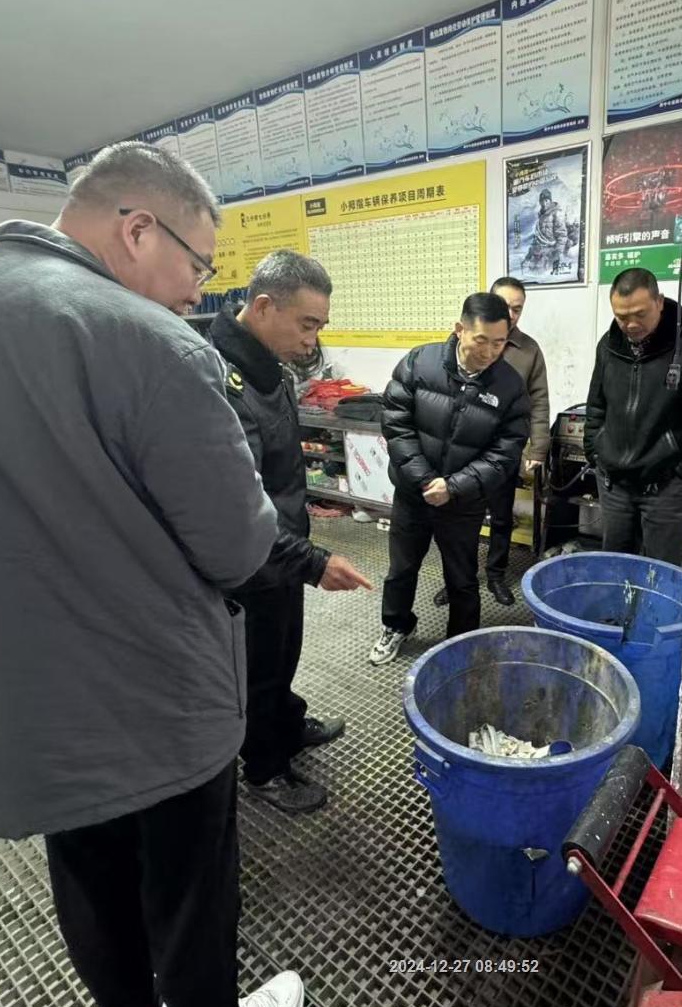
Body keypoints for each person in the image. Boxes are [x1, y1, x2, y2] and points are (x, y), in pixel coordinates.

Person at [0, 142, 305, 1007]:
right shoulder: (151, 342)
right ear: (138, 227)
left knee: (88, 872)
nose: (198, 292)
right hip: (152, 695)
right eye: (198, 265)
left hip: (17, 691)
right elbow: (236, 545)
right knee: (189, 887)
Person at [210, 250, 372, 815]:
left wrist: (300, 553)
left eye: (319, 326)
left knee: (285, 651)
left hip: (284, 548)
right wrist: (311, 561)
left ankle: (287, 722)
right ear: (262, 307)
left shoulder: (271, 369)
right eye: (306, 324)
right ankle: (264, 768)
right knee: (257, 666)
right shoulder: (220, 384)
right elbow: (236, 506)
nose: (312, 341)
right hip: (252, 559)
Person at [368, 292, 530, 666]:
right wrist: (425, 481)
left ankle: (461, 644)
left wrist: (454, 487)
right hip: (413, 494)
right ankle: (396, 626)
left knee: (462, 578)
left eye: (499, 342)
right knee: (401, 569)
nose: (489, 352)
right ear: (460, 329)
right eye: (481, 340)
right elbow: (396, 424)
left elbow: (506, 452)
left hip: (463, 501)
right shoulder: (419, 362)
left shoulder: (509, 385)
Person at [432, 277, 549, 608]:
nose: (510, 314)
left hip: (502, 452)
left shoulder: (528, 350)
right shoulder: (465, 340)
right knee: (459, 522)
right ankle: (458, 579)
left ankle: (496, 575)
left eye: (517, 309)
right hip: (464, 452)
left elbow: (539, 400)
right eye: (504, 305)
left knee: (501, 518)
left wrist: (538, 447)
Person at [585, 267, 682, 567]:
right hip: (614, 484)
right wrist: (594, 449)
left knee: (660, 571)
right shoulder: (609, 345)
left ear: (659, 302)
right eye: (621, 316)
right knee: (614, 566)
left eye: (640, 314)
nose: (630, 324)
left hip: (665, 486)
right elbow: (596, 404)